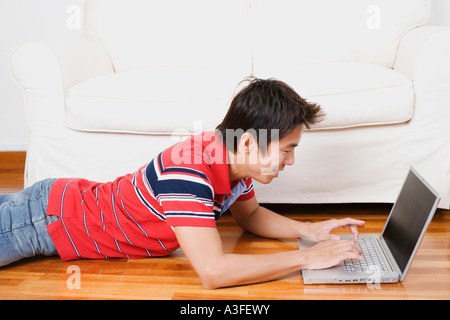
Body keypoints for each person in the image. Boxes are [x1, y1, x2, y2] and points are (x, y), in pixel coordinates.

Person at [0, 78, 364, 289]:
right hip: (42, 221)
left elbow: (250, 216)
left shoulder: (232, 155)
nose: (291, 161)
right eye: (287, 150)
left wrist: (310, 230)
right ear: (251, 143)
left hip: (55, 203)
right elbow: (213, 272)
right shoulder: (188, 172)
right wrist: (307, 258)